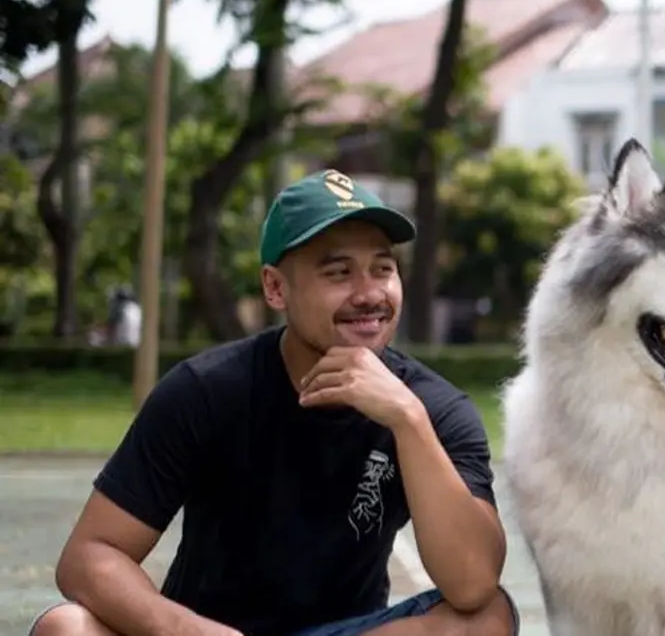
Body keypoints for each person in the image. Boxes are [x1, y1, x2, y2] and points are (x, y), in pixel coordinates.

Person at [32, 169, 518, 636]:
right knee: (66, 628)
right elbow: (90, 555)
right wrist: (184, 629)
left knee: (488, 617)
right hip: (205, 628)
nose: (370, 293)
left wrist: (408, 419)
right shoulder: (206, 390)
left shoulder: (433, 407)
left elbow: (473, 584)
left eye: (382, 268)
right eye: (339, 272)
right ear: (275, 287)